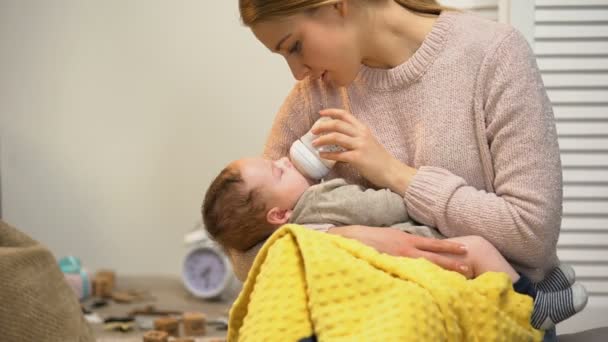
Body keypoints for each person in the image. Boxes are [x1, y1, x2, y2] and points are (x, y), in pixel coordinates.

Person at [234, 0, 564, 339]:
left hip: (491, 317)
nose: (297, 71)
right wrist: (352, 239)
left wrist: (394, 174)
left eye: (295, 46)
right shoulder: (313, 94)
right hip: (371, 320)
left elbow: (531, 236)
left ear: (337, 5)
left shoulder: (493, 55)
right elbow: (245, 244)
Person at [202, 155, 586, 329]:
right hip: (422, 248)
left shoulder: (289, 234)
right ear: (278, 216)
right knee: (480, 249)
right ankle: (532, 305)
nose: (285, 159)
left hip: (396, 274)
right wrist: (408, 186)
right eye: (277, 170)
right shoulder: (319, 199)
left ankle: (532, 288)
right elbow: (378, 208)